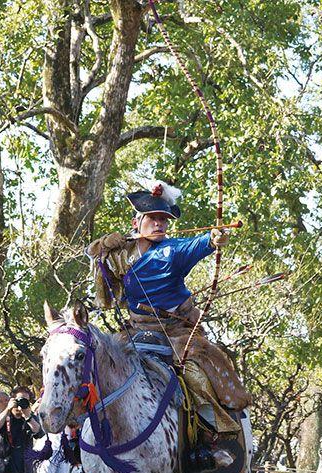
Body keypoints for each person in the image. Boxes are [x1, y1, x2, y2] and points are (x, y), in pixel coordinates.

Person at [86, 181, 254, 458]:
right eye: (153, 219)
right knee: (102, 364)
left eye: (164, 220)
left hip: (176, 332)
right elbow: (103, 294)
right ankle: (90, 433)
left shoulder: (172, 251)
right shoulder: (121, 255)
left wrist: (214, 239)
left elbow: (200, 244)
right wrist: (101, 249)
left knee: (194, 373)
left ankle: (206, 442)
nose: (160, 225)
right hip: (136, 331)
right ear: (136, 222)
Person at [0, 386, 47, 473]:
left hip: (24, 469)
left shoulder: (30, 417)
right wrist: (8, 409)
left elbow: (38, 432)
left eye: (25, 401)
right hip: (3, 469)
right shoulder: (4, 415)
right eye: (18, 400)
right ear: (12, 400)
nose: (20, 404)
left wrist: (27, 416)